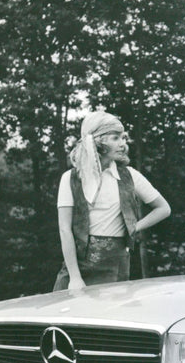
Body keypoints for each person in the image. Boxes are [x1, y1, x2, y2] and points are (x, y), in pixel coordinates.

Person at [53, 111, 170, 291]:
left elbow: (163, 208)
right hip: (79, 269)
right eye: (115, 138)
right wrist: (75, 277)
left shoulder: (129, 175)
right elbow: (64, 229)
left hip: (116, 267)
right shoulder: (70, 178)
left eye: (123, 138)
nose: (123, 143)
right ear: (97, 142)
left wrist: (134, 227)